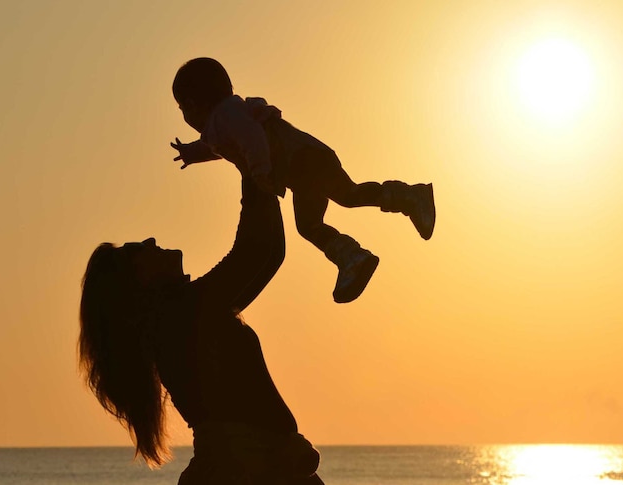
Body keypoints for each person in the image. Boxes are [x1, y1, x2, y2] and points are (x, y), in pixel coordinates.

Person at [79, 170, 324, 484]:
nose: (150, 241)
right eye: (136, 250)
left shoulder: (188, 315)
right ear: (135, 283)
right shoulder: (184, 313)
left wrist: (257, 167)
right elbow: (255, 253)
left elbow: (269, 254)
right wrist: (249, 161)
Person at [170, 57, 435, 303]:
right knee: (334, 206)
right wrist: (191, 153)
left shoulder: (226, 115)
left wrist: (260, 170)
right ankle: (358, 251)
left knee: (335, 205)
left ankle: (366, 243)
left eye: (183, 108)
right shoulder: (224, 121)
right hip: (302, 166)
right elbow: (218, 146)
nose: (185, 116)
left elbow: (250, 136)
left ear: (194, 105)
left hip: (303, 160)